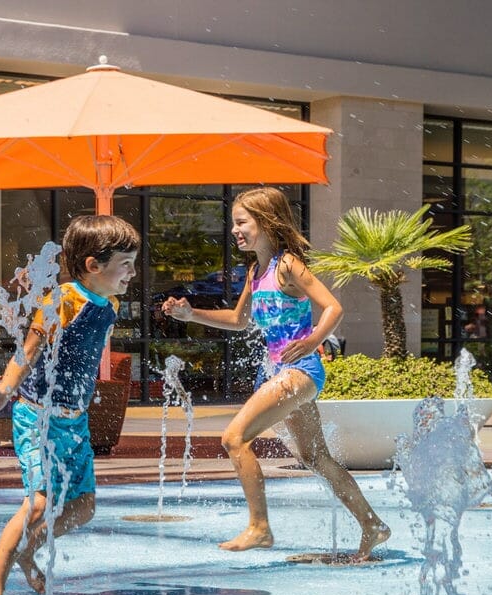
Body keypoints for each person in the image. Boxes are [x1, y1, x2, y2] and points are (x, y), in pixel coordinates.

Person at [162, 187, 390, 560]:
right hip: (278, 372)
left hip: (299, 370)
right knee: (317, 458)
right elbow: (239, 320)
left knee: (234, 437)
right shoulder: (256, 271)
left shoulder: (289, 265)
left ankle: (259, 527)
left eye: (241, 222)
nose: (234, 230)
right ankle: (372, 524)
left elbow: (333, 307)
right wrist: (192, 315)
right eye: (233, 223)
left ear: (266, 223)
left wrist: (314, 339)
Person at [0, 215, 139, 595]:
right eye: (125, 263)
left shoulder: (109, 304)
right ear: (94, 265)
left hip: (74, 422)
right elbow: (30, 349)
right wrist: (4, 391)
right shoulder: (63, 299)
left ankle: (28, 551)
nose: (132, 272)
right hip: (38, 417)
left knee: (84, 506)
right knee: (38, 504)